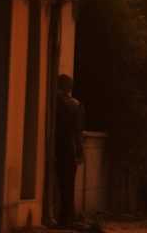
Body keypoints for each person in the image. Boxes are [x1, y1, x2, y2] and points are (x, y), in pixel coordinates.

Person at [54, 74, 85, 227]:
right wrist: (80, 151)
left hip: (56, 146)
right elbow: (77, 131)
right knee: (68, 184)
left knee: (61, 183)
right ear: (70, 87)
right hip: (69, 147)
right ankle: (67, 218)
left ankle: (63, 217)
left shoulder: (55, 102)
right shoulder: (76, 105)